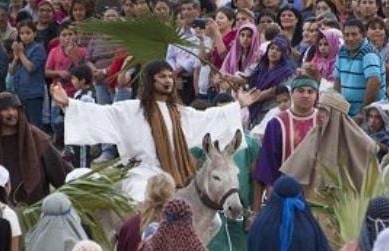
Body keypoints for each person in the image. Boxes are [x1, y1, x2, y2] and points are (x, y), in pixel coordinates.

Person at [51, 60, 247, 201]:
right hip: (141, 173)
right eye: (162, 76)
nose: (168, 80)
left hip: (178, 173)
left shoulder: (180, 113)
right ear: (150, 80)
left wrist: (238, 106)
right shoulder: (131, 109)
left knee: (210, 217)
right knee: (142, 198)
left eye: (170, 76)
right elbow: (101, 114)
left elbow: (208, 118)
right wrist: (68, 103)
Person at [0, 92, 67, 205]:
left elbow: (59, 171)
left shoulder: (36, 138)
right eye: (5, 109)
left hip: (35, 206)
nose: (11, 113)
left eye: (14, 108)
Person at [281, 90, 378, 198]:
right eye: (319, 109)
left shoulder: (359, 143)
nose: (319, 114)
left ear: (335, 115)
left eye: (324, 110)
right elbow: (297, 169)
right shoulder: (314, 137)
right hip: (312, 199)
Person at [253, 75, 319, 199]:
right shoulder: (277, 123)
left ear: (316, 95)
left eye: (310, 92)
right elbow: (268, 162)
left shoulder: (323, 121)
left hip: (317, 191)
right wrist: (272, 191)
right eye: (300, 91)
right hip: (285, 192)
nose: (305, 95)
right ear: (292, 94)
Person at [333, 19, 386, 117]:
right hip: (347, 113)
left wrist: (362, 113)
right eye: (347, 35)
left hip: (370, 115)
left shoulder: (368, 53)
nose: (350, 38)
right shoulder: (342, 51)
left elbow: (374, 82)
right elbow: (337, 81)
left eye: (354, 34)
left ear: (363, 35)